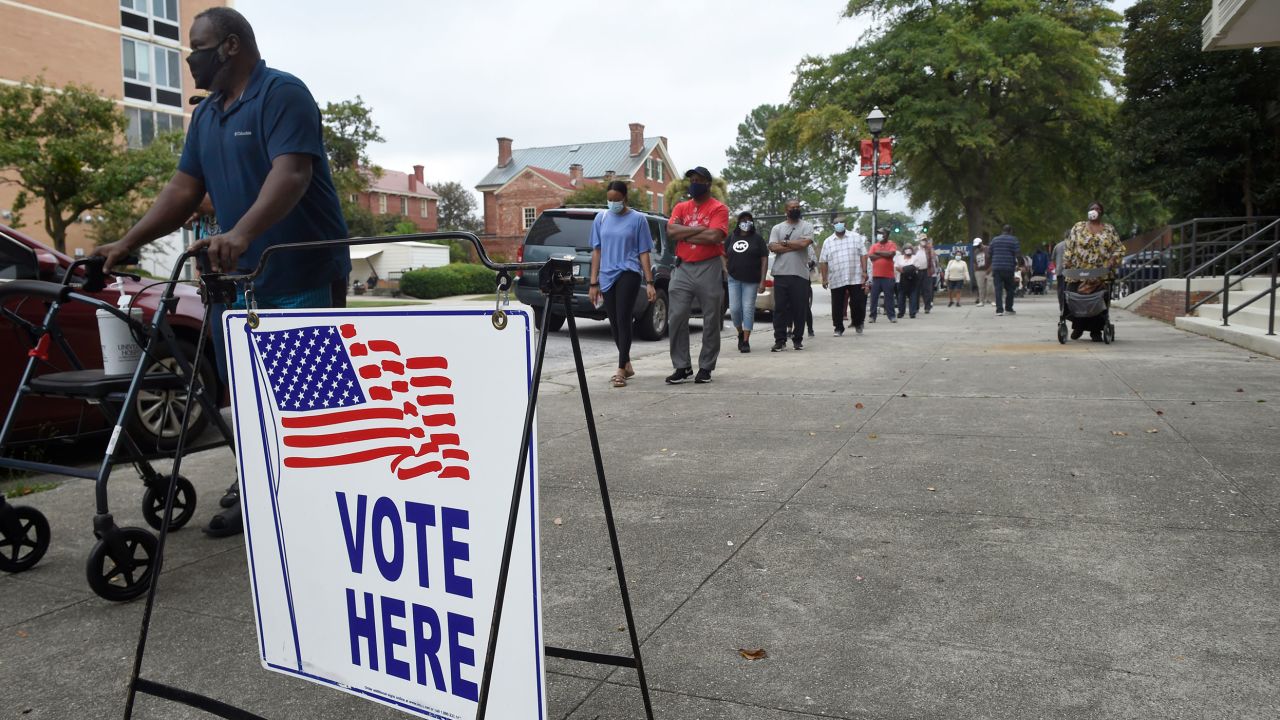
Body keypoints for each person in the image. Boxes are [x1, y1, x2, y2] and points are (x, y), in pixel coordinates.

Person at [95, 7, 351, 538]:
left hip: (299, 272)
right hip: (235, 282)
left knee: (307, 400)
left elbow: (294, 174)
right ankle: (259, 481)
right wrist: (126, 241)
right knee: (248, 395)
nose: (190, 58)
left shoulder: (283, 94)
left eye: (197, 46)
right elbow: (182, 190)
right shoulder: (208, 115)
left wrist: (241, 232)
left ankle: (320, 498)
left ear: (230, 46)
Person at [589, 181, 656, 387]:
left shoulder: (638, 220)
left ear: (625, 198)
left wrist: (650, 282)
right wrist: (593, 282)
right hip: (607, 275)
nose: (613, 203)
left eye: (616, 200)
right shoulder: (601, 218)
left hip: (629, 272)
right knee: (614, 322)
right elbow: (597, 251)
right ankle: (626, 363)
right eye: (609, 200)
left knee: (624, 318)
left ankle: (620, 369)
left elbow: (644, 252)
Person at [665, 167, 728, 384]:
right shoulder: (681, 206)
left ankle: (706, 367)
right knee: (676, 316)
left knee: (711, 319)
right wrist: (701, 229)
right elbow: (671, 231)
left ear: (708, 184)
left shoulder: (719, 208)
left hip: (708, 267)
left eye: (699, 180)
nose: (694, 183)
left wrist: (686, 233)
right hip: (683, 268)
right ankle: (682, 366)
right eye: (692, 180)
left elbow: (715, 236)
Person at [1063, 201, 1125, 341]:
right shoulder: (1078, 227)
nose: (1094, 211)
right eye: (1092, 209)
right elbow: (1069, 247)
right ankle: (1078, 327)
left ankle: (1096, 331)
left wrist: (1113, 259)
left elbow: (1119, 248)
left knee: (1097, 303)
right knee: (1077, 301)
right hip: (1079, 272)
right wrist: (1067, 262)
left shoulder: (1109, 229)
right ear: (1088, 212)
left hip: (1101, 274)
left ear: (1101, 213)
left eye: (1097, 209)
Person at [768, 199, 814, 351]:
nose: (795, 209)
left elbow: (804, 245)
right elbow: (773, 247)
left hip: (800, 274)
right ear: (786, 210)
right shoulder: (777, 227)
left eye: (797, 207)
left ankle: (797, 339)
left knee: (799, 309)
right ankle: (779, 340)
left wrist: (785, 243)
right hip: (780, 274)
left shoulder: (807, 226)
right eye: (792, 207)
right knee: (780, 309)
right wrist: (794, 245)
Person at [724, 211, 768, 353]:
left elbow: (764, 259)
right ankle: (740, 332)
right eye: (743, 220)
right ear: (738, 222)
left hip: (752, 280)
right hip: (733, 279)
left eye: (749, 220)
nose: (746, 223)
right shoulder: (731, 238)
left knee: (748, 308)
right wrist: (726, 270)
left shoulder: (758, 239)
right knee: (735, 309)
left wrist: (762, 281)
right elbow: (723, 255)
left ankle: (746, 341)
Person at [818, 219, 867, 336]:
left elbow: (863, 254)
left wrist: (864, 271)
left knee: (857, 302)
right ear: (833, 225)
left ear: (846, 224)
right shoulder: (828, 241)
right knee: (837, 304)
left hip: (854, 275)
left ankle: (858, 322)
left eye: (841, 222)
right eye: (836, 223)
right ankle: (838, 328)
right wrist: (824, 278)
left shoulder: (856, 237)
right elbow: (823, 261)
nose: (839, 225)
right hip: (836, 277)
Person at [866, 228, 898, 323]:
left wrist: (878, 253)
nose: (879, 235)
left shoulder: (891, 244)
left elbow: (891, 253)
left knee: (889, 298)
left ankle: (891, 316)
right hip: (876, 276)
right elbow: (871, 256)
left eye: (881, 233)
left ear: (887, 234)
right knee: (874, 297)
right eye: (878, 233)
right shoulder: (874, 245)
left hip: (888, 276)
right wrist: (885, 255)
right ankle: (872, 316)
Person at [990, 224, 1021, 316]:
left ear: (1002, 230)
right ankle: (1008, 308)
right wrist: (1017, 264)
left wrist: (995, 260)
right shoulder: (1013, 240)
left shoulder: (994, 240)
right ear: (1010, 231)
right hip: (1008, 268)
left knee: (998, 289)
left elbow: (989, 253)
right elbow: (1018, 254)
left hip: (996, 268)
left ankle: (999, 310)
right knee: (1010, 289)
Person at [894, 244, 924, 319]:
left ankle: (912, 313)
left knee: (913, 296)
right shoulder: (899, 258)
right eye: (906, 248)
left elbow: (916, 267)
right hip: (902, 279)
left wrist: (906, 269)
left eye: (910, 248)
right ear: (903, 250)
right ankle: (901, 312)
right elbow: (897, 267)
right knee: (901, 297)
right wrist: (906, 270)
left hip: (913, 279)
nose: (908, 250)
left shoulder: (915, 257)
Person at [971, 237, 992, 306]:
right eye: (976, 246)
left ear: (981, 243)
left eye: (978, 245)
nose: (977, 247)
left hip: (988, 269)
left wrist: (990, 268)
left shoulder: (988, 249)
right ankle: (981, 301)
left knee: (990, 285)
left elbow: (992, 259)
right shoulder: (976, 251)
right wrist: (975, 269)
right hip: (979, 271)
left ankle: (991, 299)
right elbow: (974, 261)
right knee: (981, 286)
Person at [919, 236, 937, 313]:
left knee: (927, 290)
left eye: (925, 240)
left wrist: (929, 247)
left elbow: (933, 257)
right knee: (918, 290)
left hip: (928, 271)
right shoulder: (916, 249)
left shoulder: (929, 249)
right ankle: (916, 307)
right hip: (918, 271)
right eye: (922, 240)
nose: (924, 241)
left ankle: (927, 307)